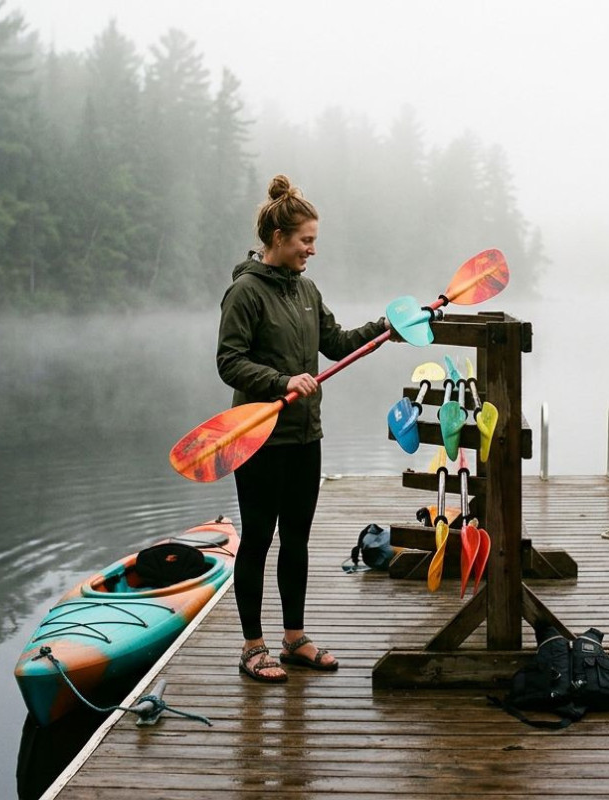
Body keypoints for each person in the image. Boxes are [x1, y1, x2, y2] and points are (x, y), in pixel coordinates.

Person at [217, 174, 391, 683]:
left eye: (314, 241)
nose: (312, 250)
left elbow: (336, 342)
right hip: (257, 438)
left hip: (304, 438)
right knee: (257, 539)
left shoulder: (307, 291)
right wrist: (279, 381)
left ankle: (294, 639)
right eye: (305, 241)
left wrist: (385, 326)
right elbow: (229, 361)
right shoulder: (245, 292)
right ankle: (253, 647)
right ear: (278, 239)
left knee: (297, 541)